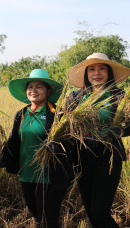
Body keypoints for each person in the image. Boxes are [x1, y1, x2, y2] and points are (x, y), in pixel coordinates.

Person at [66, 53, 130, 228]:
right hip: (82, 157)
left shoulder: (120, 96)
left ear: (108, 72)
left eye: (102, 68)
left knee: (100, 212)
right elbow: (64, 125)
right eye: (92, 69)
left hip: (109, 158)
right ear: (86, 73)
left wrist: (120, 130)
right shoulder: (75, 97)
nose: (97, 73)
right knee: (89, 212)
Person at [0, 69, 67, 228]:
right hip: (27, 173)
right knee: (36, 216)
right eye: (30, 87)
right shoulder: (21, 114)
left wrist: (55, 147)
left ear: (48, 91)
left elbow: (68, 143)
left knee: (49, 220)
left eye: (39, 87)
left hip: (49, 175)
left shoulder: (57, 114)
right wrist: (4, 158)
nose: (33, 91)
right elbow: (14, 140)